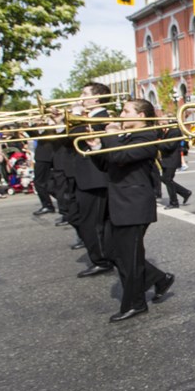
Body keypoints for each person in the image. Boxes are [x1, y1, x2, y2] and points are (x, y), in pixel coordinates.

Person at [85, 99, 174, 321]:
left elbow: (119, 156)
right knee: (114, 252)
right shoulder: (126, 137)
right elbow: (107, 164)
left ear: (141, 116)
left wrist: (110, 134)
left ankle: (135, 303)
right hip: (120, 202)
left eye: (126, 111)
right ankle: (158, 278)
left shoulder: (147, 137)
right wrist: (96, 146)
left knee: (129, 257)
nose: (121, 114)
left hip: (134, 204)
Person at [69, 83, 115, 277]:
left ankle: (102, 259)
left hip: (96, 177)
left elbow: (78, 135)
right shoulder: (89, 118)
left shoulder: (103, 118)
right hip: (86, 177)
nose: (81, 97)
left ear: (96, 99)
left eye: (85, 93)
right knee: (87, 219)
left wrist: (77, 116)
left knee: (91, 223)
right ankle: (106, 254)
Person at [158, 116, 192, 209]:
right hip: (166, 159)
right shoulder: (163, 130)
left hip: (172, 159)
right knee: (165, 179)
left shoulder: (175, 131)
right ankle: (185, 192)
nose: (160, 122)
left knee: (168, 179)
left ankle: (174, 202)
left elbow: (170, 146)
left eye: (162, 120)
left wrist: (158, 143)